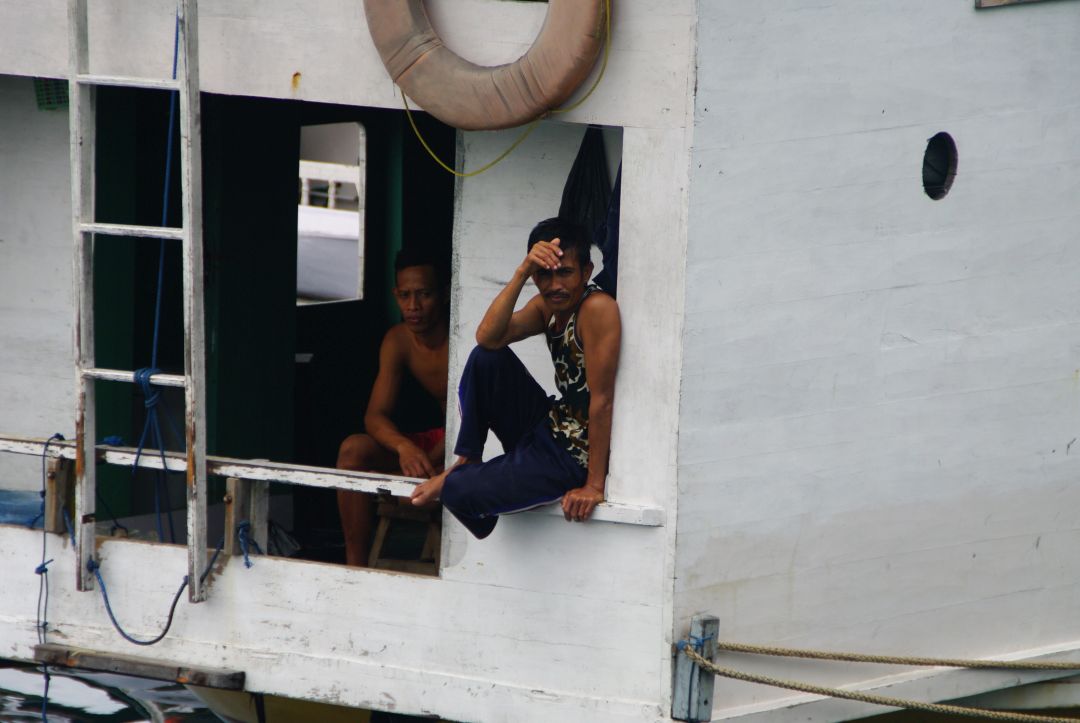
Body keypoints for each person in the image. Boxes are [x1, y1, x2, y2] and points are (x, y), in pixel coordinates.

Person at [410, 217, 621, 538]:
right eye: (544, 274)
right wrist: (521, 272)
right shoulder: (546, 307)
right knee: (486, 357)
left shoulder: (596, 309)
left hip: (571, 455)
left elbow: (603, 401)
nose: (555, 285)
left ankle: (467, 483)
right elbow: (487, 337)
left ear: (586, 272)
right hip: (547, 426)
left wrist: (593, 485)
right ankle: (467, 460)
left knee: (456, 491)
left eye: (565, 272)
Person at [336, 248, 448, 566]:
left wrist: (428, 461)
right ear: (395, 295)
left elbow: (471, 420)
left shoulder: (462, 334)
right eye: (405, 295)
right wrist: (404, 448)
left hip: (464, 446)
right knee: (353, 450)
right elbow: (375, 415)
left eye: (424, 294)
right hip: (432, 445)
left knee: (414, 492)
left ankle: (408, 477)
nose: (413, 306)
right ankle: (355, 571)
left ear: (443, 295)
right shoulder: (398, 340)